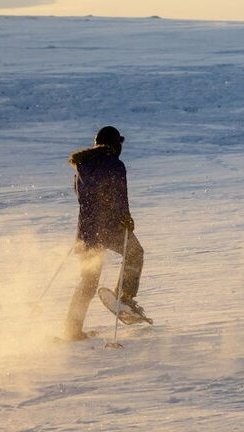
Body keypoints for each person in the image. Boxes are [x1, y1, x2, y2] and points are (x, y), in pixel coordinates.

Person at [62, 126, 145, 341]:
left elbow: (84, 198)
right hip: (110, 227)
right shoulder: (115, 165)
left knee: (88, 281)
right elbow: (118, 195)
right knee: (135, 253)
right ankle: (124, 297)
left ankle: (71, 329)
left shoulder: (82, 165)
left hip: (87, 231)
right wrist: (126, 217)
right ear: (114, 144)